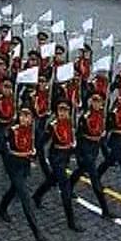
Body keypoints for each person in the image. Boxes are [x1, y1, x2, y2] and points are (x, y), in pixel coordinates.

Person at [31, 99, 83, 233]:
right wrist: (37, 156)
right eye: (60, 110)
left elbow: (72, 141)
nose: (62, 113)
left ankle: (37, 195)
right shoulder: (53, 125)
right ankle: (71, 222)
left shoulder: (71, 124)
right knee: (65, 188)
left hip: (65, 158)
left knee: (52, 180)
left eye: (65, 110)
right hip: (56, 159)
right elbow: (41, 142)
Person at [0, 107, 47, 241]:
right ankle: (37, 231)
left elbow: (38, 147)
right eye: (22, 116)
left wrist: (34, 155)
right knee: (25, 197)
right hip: (13, 166)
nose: (24, 119)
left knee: (14, 189)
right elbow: (5, 148)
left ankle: (2, 208)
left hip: (24, 166)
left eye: (28, 116)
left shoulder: (34, 132)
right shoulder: (11, 131)